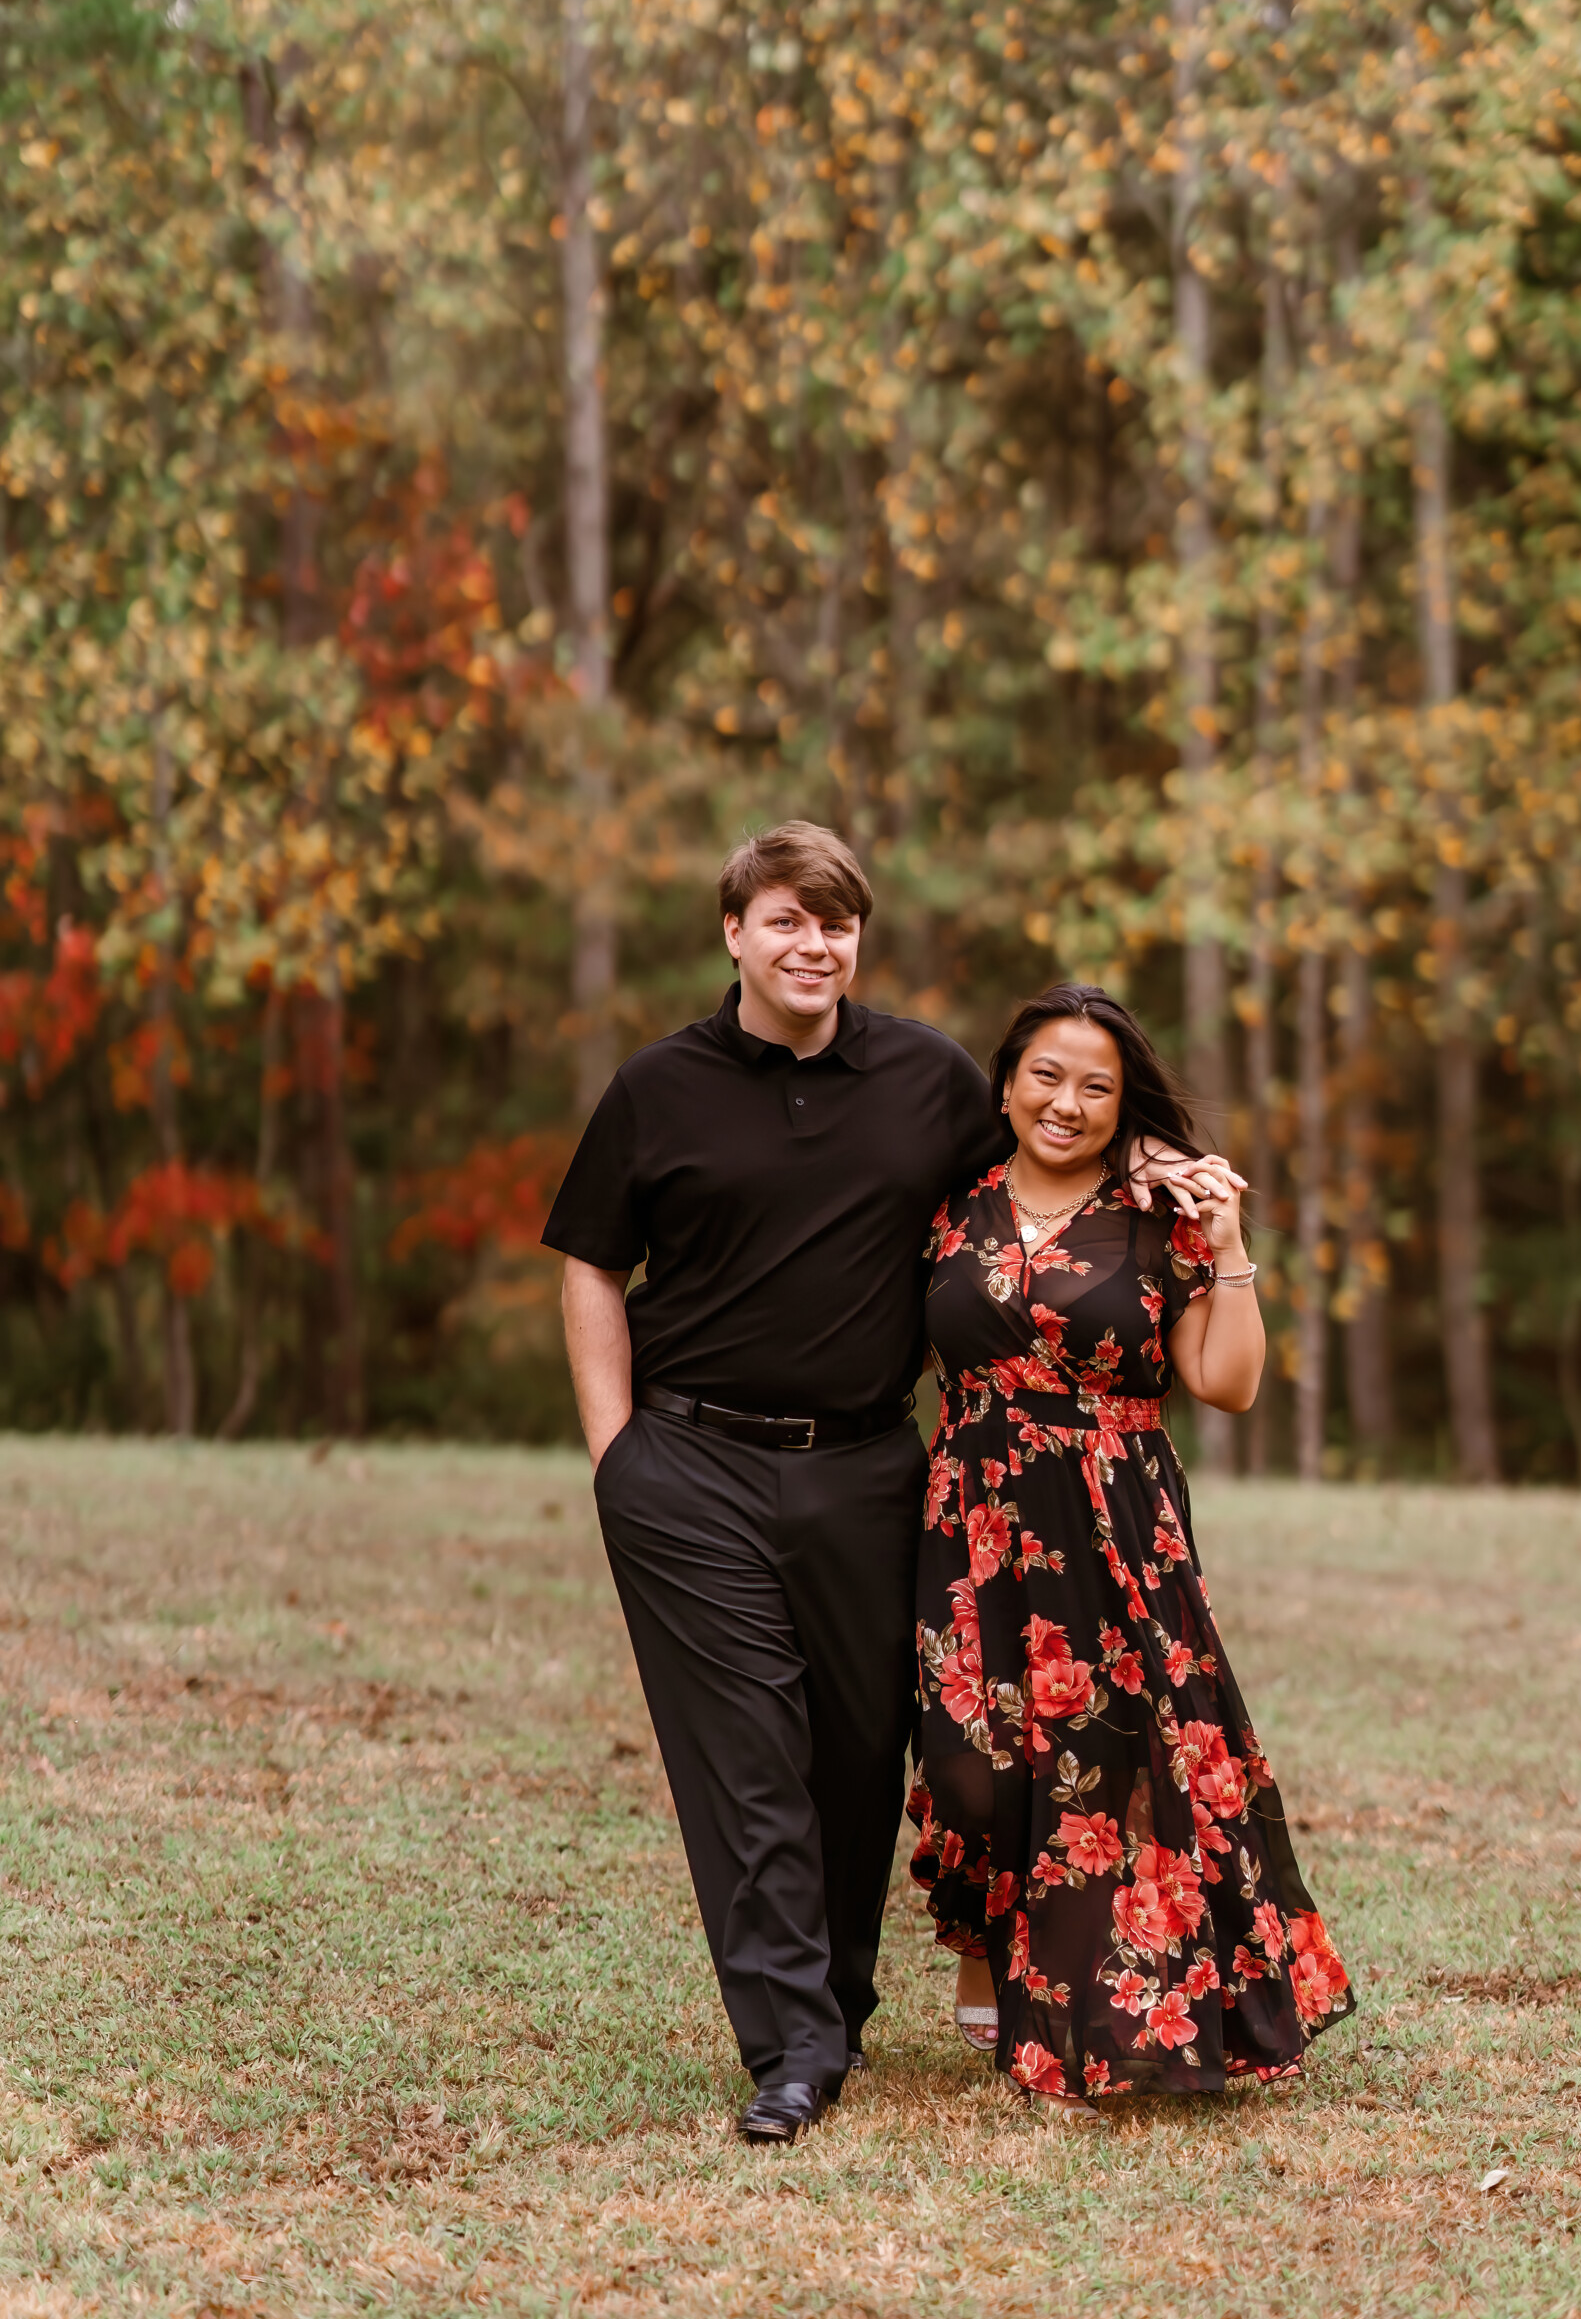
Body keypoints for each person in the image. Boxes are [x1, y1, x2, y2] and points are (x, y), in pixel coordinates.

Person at [543, 823, 1239, 2143]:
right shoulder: (658, 1087)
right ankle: (790, 2050)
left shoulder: (924, 1076)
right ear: (733, 935)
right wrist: (614, 1449)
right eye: (786, 921)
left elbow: (1049, 1137)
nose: (813, 946)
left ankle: (833, 2009)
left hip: (869, 1468)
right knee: (748, 1757)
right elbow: (589, 1260)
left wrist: (1145, 1164)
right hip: (685, 1465)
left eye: (836, 924)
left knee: (861, 1755)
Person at [908, 983, 1353, 2119]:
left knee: (1118, 1761)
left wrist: (1232, 1241)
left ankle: (1117, 2009)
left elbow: (1229, 1382)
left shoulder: (1159, 1214)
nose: (1067, 1102)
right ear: (1003, 1082)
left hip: (1116, 1518)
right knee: (969, 1757)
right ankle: (983, 1953)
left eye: (1096, 1085)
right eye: (1046, 1076)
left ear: (1125, 1103)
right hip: (974, 1516)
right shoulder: (947, 1204)